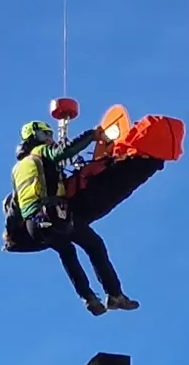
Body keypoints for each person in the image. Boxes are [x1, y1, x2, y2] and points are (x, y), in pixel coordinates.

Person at [8, 119, 138, 314]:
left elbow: (15, 204)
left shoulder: (18, 169)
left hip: (33, 225)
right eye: (46, 134)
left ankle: (88, 298)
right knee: (94, 245)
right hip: (53, 215)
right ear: (36, 137)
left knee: (67, 252)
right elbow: (64, 152)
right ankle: (115, 295)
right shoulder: (41, 152)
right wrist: (92, 135)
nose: (50, 139)